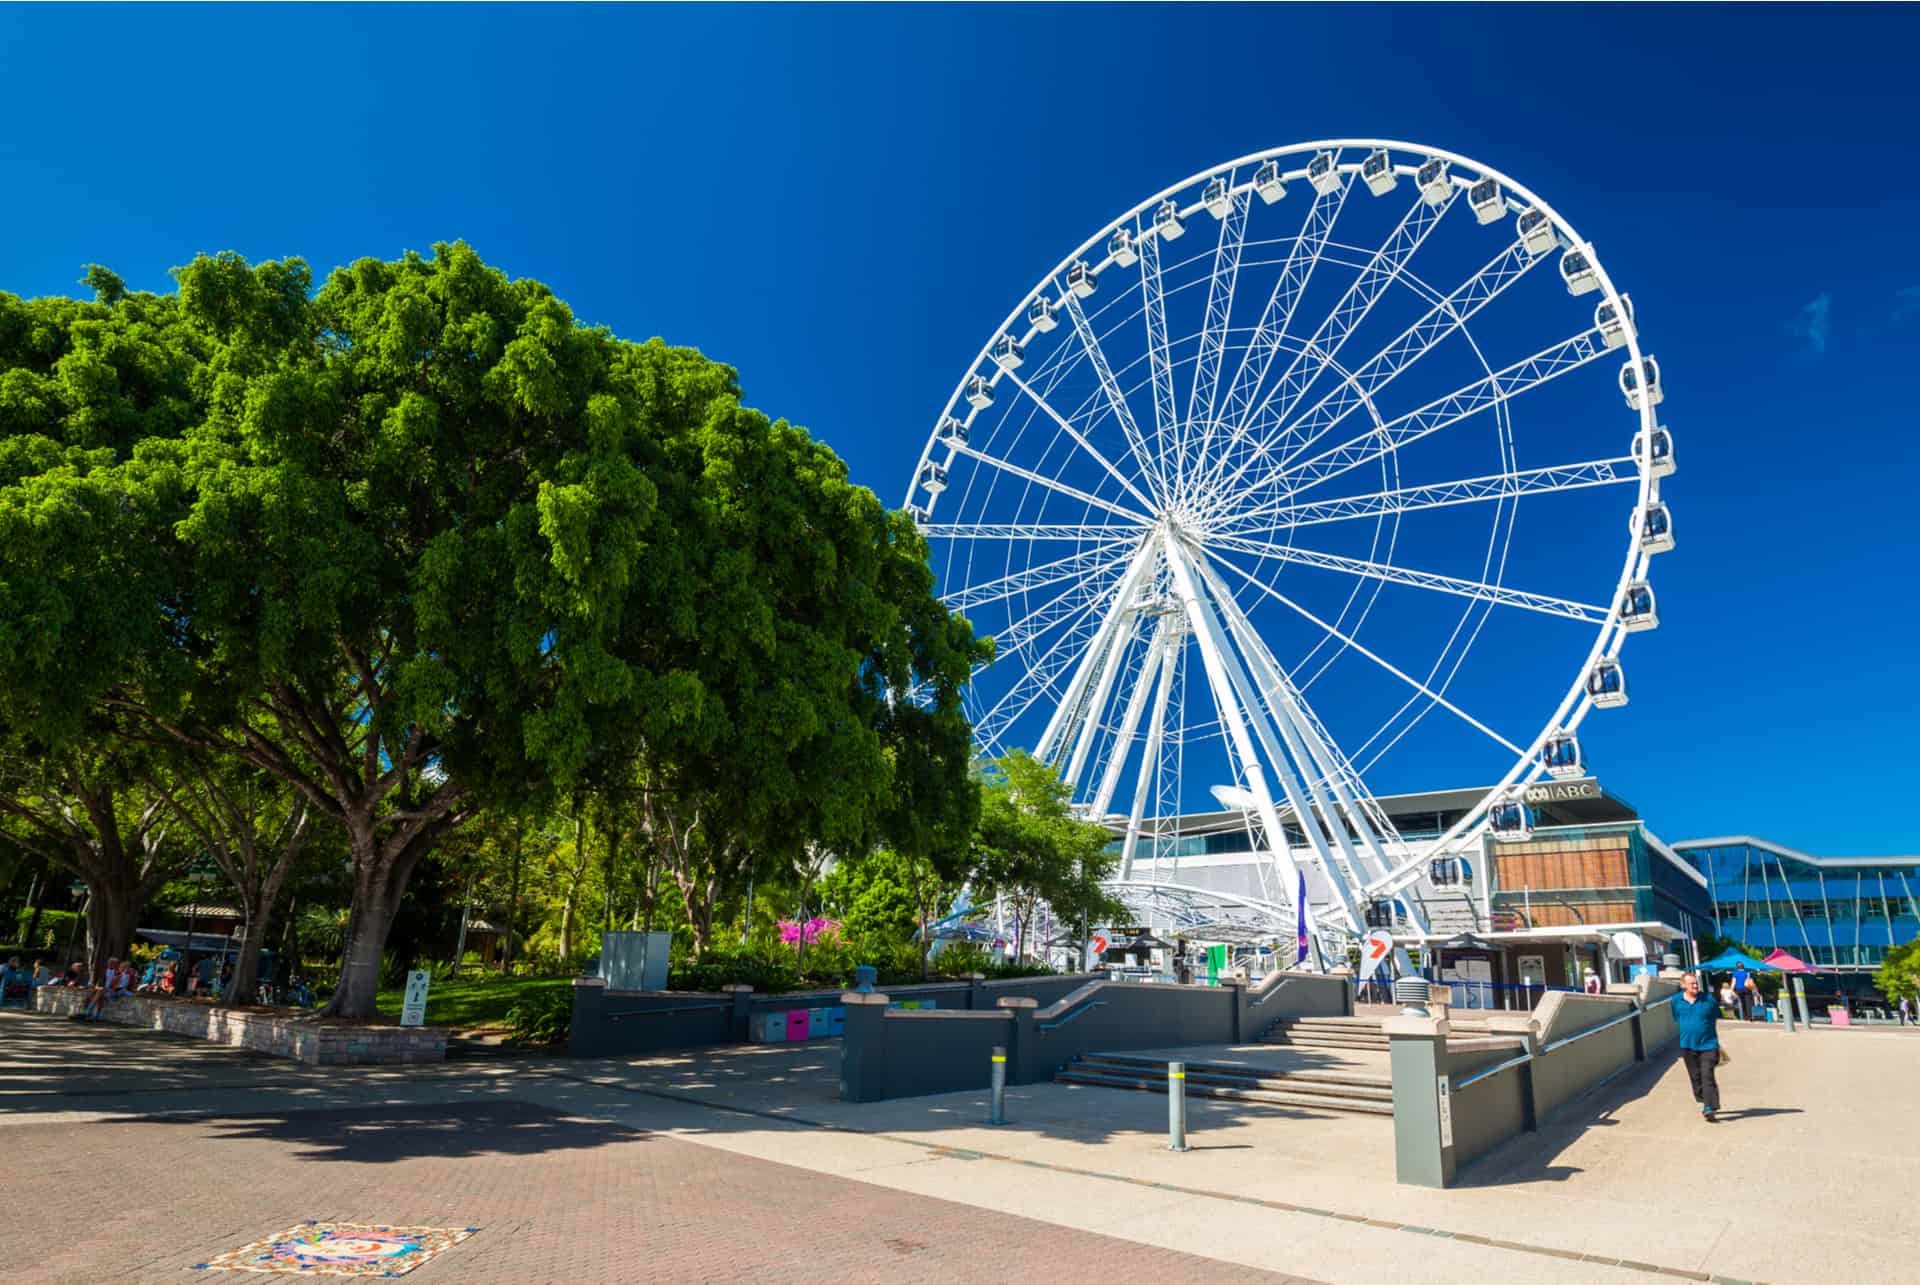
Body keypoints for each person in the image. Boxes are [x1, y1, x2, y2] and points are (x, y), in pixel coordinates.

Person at [1670, 970, 1723, 1122]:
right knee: (1695, 1076)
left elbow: (1715, 1017)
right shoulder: (1676, 1001)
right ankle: (1703, 1097)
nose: (1695, 985)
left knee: (1707, 1075)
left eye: (1696, 983)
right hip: (1687, 1045)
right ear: (1683, 985)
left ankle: (1709, 1106)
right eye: (1691, 983)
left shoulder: (1708, 999)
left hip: (1709, 1044)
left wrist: (1708, 1033)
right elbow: (1676, 1017)